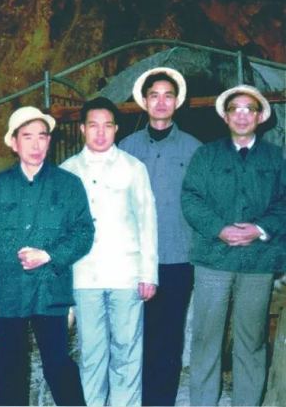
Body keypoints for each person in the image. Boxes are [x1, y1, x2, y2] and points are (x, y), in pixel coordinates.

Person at [0, 106, 94, 406]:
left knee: (58, 367)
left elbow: (84, 233)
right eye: (27, 137)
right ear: (14, 143)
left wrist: (49, 255)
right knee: (9, 371)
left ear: (49, 141)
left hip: (50, 290)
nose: (36, 144)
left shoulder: (68, 184)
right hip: (9, 291)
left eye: (42, 136)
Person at [181, 85, 286, 406]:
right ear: (225, 117)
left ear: (260, 117)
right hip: (213, 259)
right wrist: (219, 229)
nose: (242, 115)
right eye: (235, 109)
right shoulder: (206, 155)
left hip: (258, 262)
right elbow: (191, 198)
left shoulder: (275, 157)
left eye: (249, 109)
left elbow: (283, 202)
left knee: (251, 340)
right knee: (205, 339)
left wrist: (259, 229)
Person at [61, 97, 158, 406]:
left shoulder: (134, 168)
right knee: (91, 352)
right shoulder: (67, 171)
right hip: (84, 275)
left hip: (125, 274)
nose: (100, 133)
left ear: (116, 129)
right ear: (82, 129)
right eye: (93, 126)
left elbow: (147, 222)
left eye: (107, 126)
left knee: (127, 351)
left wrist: (148, 274)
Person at [119, 67, 201, 406]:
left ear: (178, 101)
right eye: (155, 95)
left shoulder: (195, 149)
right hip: (134, 259)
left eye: (168, 95)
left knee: (169, 336)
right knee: (134, 333)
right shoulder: (126, 147)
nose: (161, 102)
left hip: (177, 255)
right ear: (144, 101)